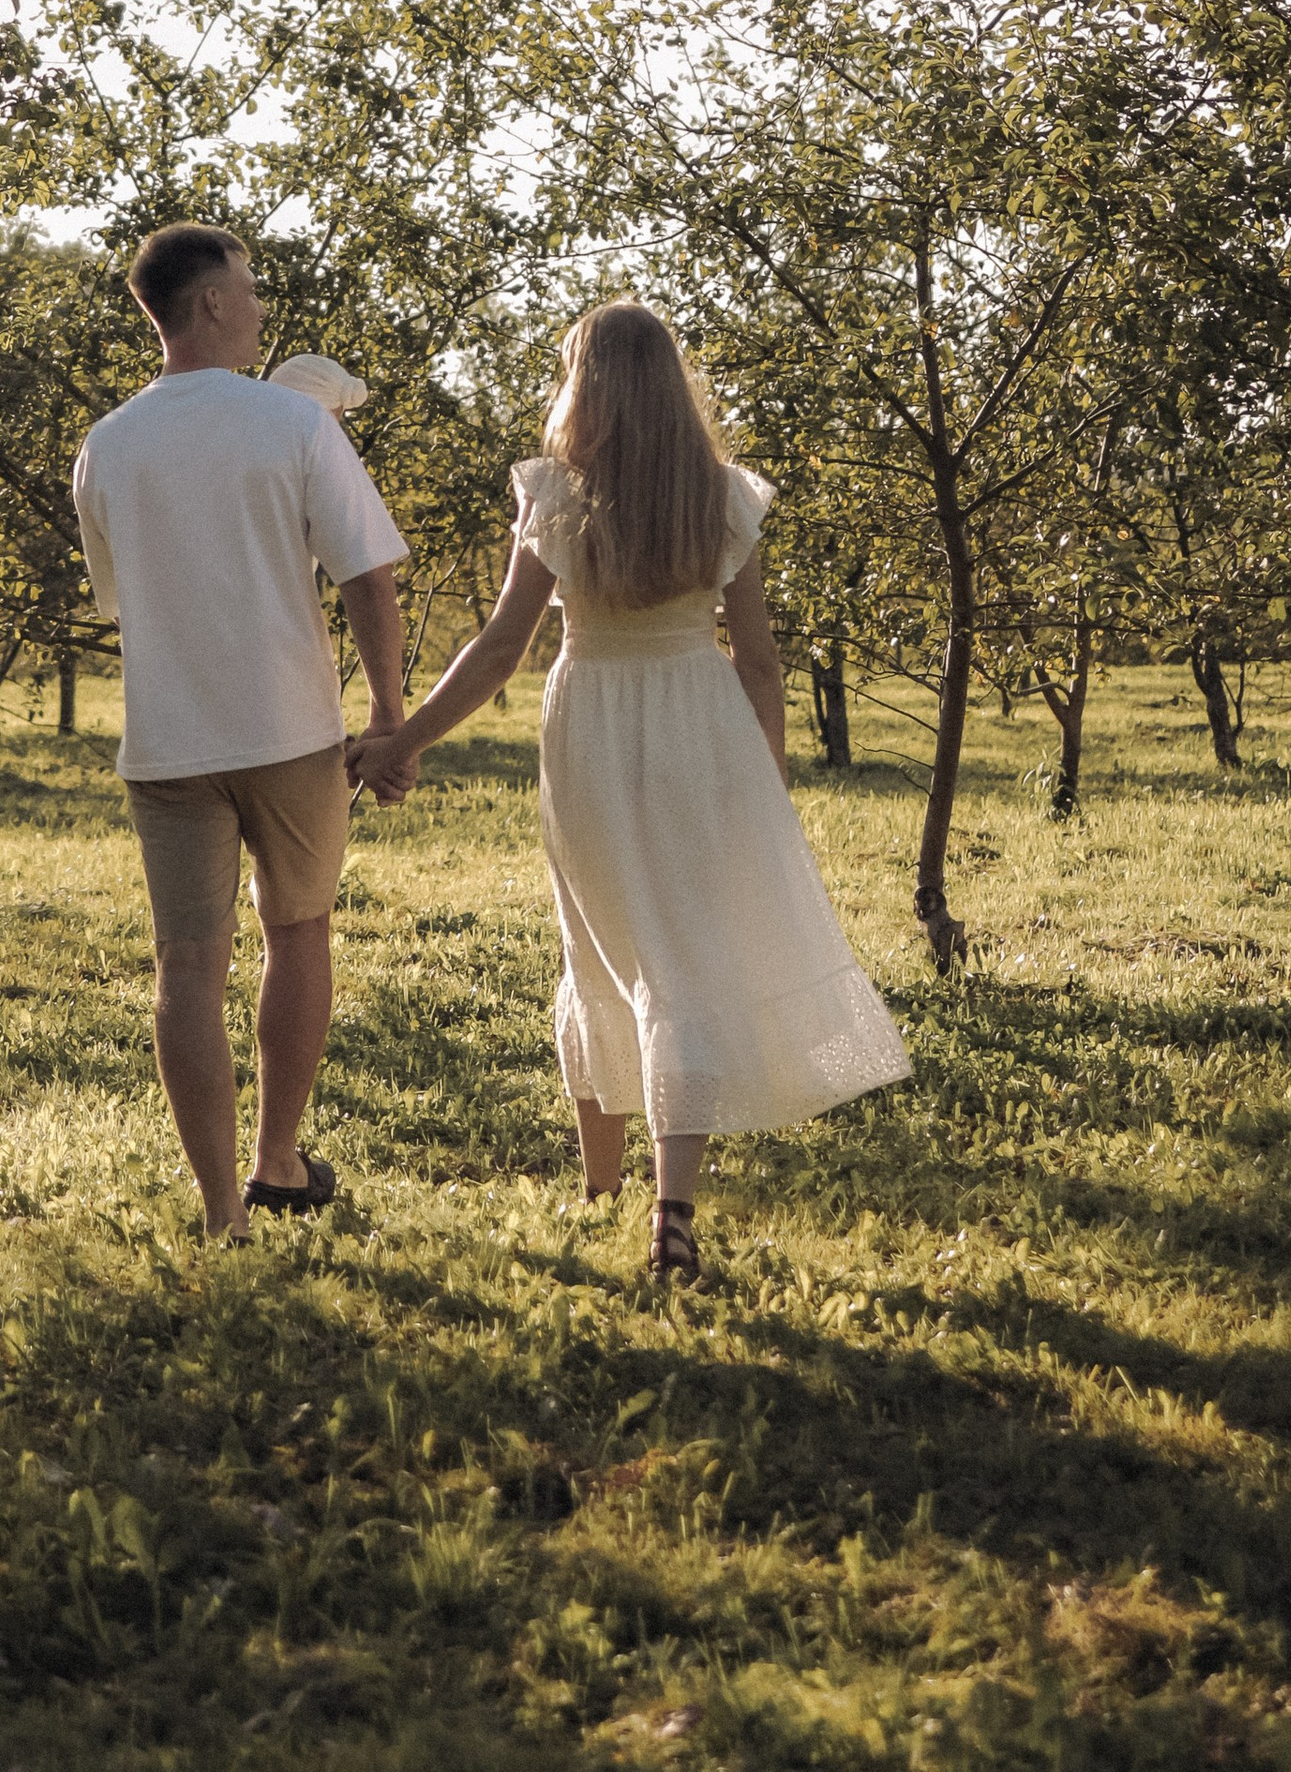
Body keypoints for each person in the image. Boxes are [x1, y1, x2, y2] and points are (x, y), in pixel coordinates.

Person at [354, 301, 907, 1279]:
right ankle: (666, 1208)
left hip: (591, 728)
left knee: (600, 950)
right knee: (682, 959)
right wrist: (764, 781)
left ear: (586, 385)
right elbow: (761, 661)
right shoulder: (723, 497)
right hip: (703, 728)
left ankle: (601, 1189)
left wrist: (406, 738)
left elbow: (498, 649)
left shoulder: (558, 495)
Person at [72, 225, 409, 1238]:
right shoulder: (293, 425)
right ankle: (277, 1158)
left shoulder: (105, 447)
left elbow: (121, 599)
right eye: (250, 290)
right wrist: (391, 716)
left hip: (168, 743)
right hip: (289, 733)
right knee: (297, 930)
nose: (261, 307)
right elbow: (367, 575)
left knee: (186, 965)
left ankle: (223, 1213)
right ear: (209, 303)